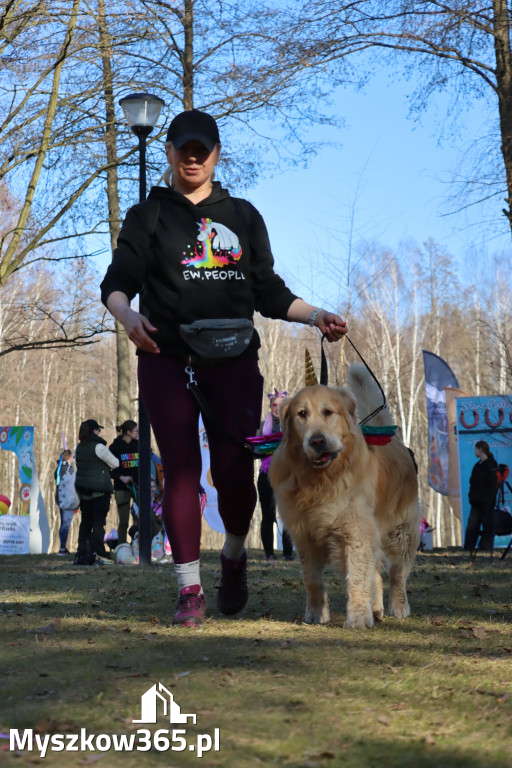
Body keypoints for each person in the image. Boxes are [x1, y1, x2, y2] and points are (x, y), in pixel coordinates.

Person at [100, 108, 347, 626]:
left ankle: (234, 556)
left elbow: (268, 290)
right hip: (166, 361)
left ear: (215, 154)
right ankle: (189, 588)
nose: (192, 158)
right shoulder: (148, 216)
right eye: (183, 149)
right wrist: (127, 316)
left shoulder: (243, 216)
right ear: (169, 152)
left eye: (202, 150)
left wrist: (316, 315)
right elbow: (118, 280)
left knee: (235, 476)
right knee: (181, 471)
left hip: (234, 363)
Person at [74, 419, 119, 564]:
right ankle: (100, 552)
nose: (99, 432)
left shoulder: (78, 448)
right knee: (98, 523)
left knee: (85, 523)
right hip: (100, 491)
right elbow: (115, 463)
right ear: (94, 431)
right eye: (98, 430)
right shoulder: (99, 447)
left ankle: (81, 552)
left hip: (84, 492)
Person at [258, 389, 294, 562]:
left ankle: (288, 554)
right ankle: (269, 554)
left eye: (280, 406)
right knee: (267, 515)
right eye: (274, 405)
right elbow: (254, 448)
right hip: (266, 475)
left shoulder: (293, 426)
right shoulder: (262, 426)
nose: (277, 408)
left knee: (288, 514)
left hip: (287, 475)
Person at [463, 440, 498, 556]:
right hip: (476, 502)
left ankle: (485, 548)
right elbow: (472, 482)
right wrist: (471, 496)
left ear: (481, 450)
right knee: (472, 526)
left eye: (476, 450)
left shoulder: (491, 465)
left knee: (487, 525)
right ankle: (468, 548)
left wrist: (488, 499)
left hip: (487, 503)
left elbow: (492, 485)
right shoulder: (477, 465)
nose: (474, 452)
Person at [109, 420, 139, 544]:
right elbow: (109, 470)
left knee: (142, 517)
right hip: (121, 487)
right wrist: (121, 477)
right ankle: (122, 546)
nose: (138, 433)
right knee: (124, 521)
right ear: (128, 432)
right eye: (136, 431)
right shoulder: (115, 447)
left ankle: (140, 544)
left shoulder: (139, 445)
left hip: (138, 486)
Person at [54, 449, 80, 555]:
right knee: (65, 524)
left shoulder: (59, 469)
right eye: (72, 457)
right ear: (69, 458)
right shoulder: (69, 469)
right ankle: (62, 548)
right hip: (68, 500)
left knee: (63, 523)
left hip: (61, 499)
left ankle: (63, 547)